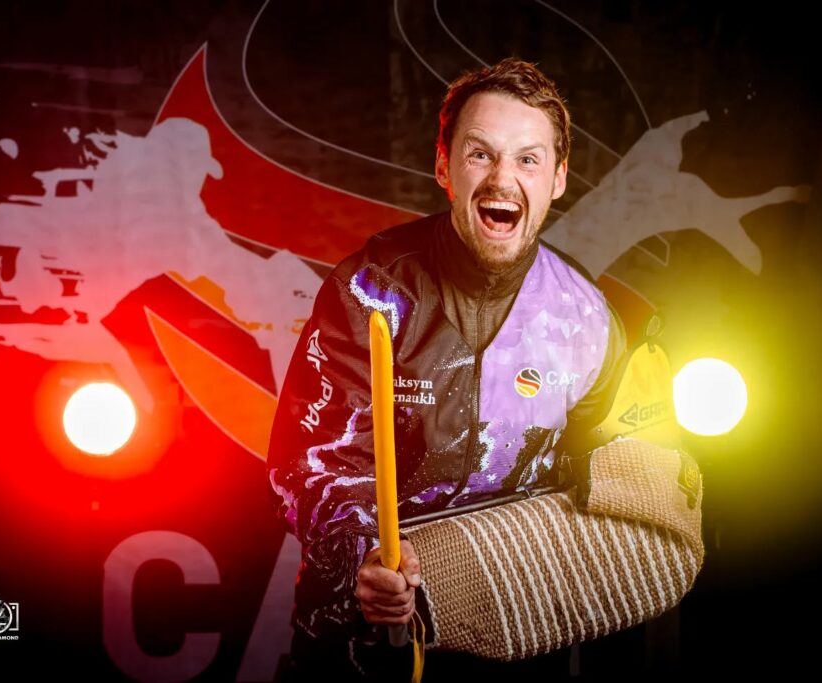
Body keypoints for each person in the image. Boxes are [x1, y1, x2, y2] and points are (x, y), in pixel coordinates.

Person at [267, 57, 627, 680]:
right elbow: (306, 461)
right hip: (361, 641)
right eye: (480, 154)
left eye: (528, 159)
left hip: (515, 639)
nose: (502, 179)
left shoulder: (586, 319)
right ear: (444, 167)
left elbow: (599, 478)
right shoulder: (370, 292)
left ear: (559, 178)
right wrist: (363, 557)